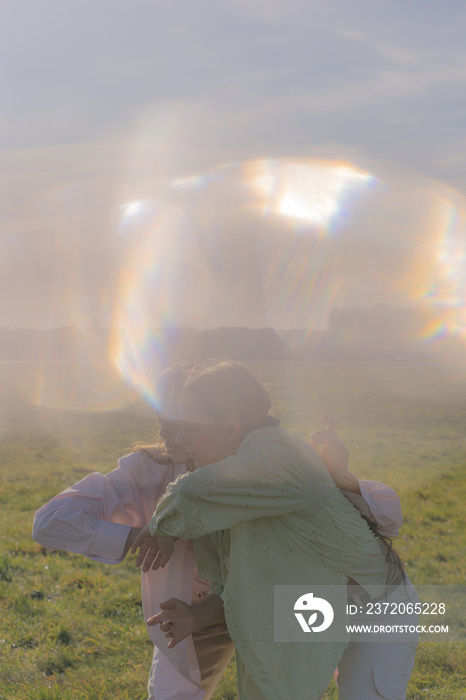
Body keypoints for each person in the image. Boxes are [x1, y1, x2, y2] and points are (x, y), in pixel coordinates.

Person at [132, 361, 410, 700]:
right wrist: (195, 615)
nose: (179, 439)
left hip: (374, 607)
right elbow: (231, 587)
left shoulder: (279, 453)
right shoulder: (218, 500)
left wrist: (162, 524)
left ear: (231, 427)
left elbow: (192, 491)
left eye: (191, 428)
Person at [32, 363, 235, 700]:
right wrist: (143, 535)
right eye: (160, 419)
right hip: (190, 612)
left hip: (270, 597)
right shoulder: (150, 469)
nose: (167, 433)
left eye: (180, 420)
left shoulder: (260, 462)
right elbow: (51, 520)